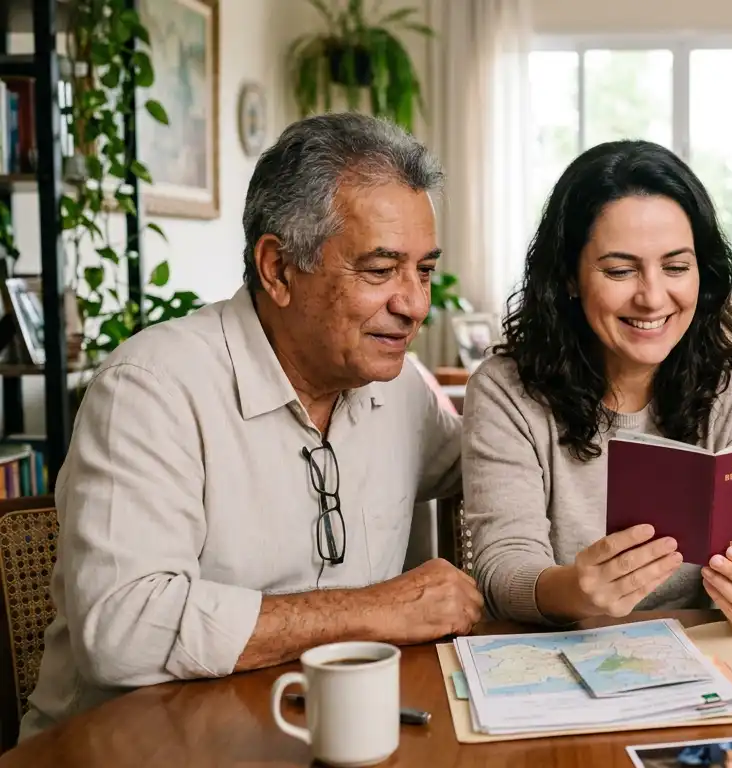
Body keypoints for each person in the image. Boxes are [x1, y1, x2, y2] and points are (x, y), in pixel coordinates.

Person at [20, 113, 484, 738]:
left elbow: (492, 464)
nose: (415, 305)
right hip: (128, 749)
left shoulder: (397, 388)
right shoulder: (150, 388)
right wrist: (376, 609)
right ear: (278, 268)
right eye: (380, 271)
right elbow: (125, 630)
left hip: (326, 734)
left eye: (423, 270)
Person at [463, 140, 732, 630]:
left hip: (715, 657)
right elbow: (502, 570)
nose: (652, 297)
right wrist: (576, 590)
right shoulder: (506, 390)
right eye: (620, 270)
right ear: (570, 278)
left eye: (676, 267)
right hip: (563, 660)